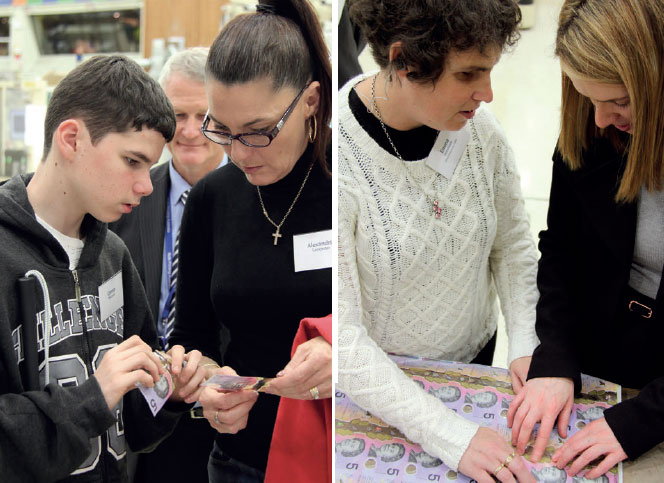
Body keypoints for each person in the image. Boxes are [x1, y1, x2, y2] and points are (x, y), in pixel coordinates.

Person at [337, 1, 542, 482]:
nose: (487, 94)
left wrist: (527, 344)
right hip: (383, 390)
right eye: (469, 74)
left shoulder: (481, 134)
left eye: (489, 71)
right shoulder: (339, 157)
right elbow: (344, 341)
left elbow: (512, 248)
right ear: (404, 60)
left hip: (474, 361)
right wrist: (454, 437)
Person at [0, 55, 207, 482]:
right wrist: (94, 395)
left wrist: (169, 392)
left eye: (150, 166)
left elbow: (130, 421)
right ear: (71, 139)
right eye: (132, 161)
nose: (147, 185)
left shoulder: (113, 254)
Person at [168, 0, 332, 481]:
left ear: (310, 101)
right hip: (239, 459)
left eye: (259, 132)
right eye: (223, 130)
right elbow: (191, 336)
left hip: (334, 452)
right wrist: (208, 387)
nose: (238, 154)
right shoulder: (213, 197)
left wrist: (337, 349)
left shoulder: (347, 183)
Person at [507, 0, 664, 480]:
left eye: (619, 102)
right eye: (588, 98)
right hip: (602, 348)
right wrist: (554, 356)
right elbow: (561, 250)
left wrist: (643, 421)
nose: (599, 120)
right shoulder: (593, 130)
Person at [109, 47, 225, 483]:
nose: (192, 131)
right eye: (178, 115)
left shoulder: (254, 198)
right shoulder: (124, 197)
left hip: (227, 414)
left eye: (205, 116)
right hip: (145, 418)